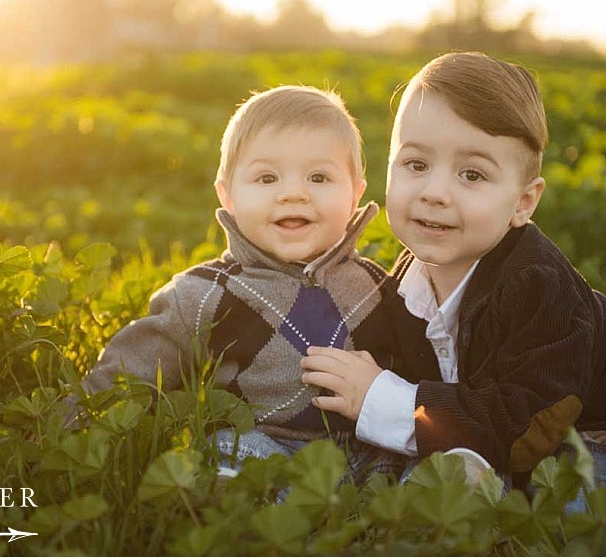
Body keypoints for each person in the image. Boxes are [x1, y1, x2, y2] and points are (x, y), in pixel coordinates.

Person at [299, 51, 606, 502]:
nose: (434, 193)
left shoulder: (537, 283)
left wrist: (386, 400)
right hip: (593, 446)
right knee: (556, 487)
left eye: (472, 174)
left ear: (524, 203)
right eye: (416, 164)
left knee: (577, 500)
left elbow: (526, 427)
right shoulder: (403, 285)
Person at [66, 84, 408, 484]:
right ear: (228, 196)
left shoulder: (379, 286)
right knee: (228, 452)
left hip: (361, 448)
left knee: (414, 457)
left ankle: (442, 497)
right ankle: (241, 503)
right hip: (263, 443)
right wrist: (71, 422)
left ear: (355, 195)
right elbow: (132, 368)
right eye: (266, 178)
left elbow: (424, 371)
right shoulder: (206, 292)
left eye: (319, 177)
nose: (293, 193)